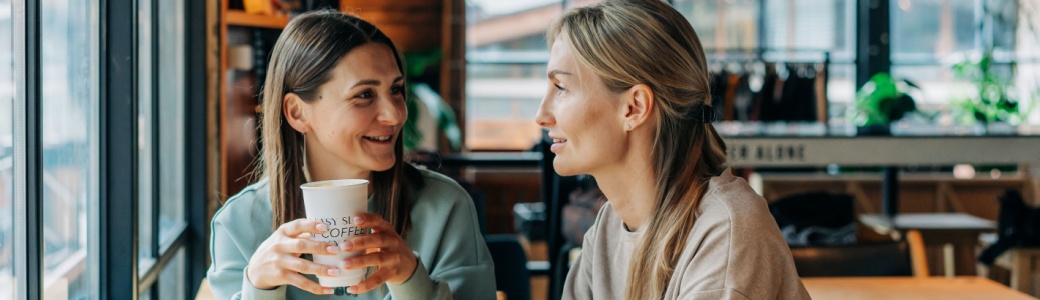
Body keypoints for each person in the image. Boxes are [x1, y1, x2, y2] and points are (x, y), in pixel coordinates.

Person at [207, 10, 495, 300]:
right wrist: (259, 291)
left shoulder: (446, 208)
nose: (394, 114)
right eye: (365, 95)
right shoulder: (238, 224)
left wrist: (412, 282)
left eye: (395, 90)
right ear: (297, 112)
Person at [534, 1, 810, 299]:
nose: (541, 115)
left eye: (561, 88)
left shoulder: (726, 234)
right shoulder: (608, 229)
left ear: (634, 108)